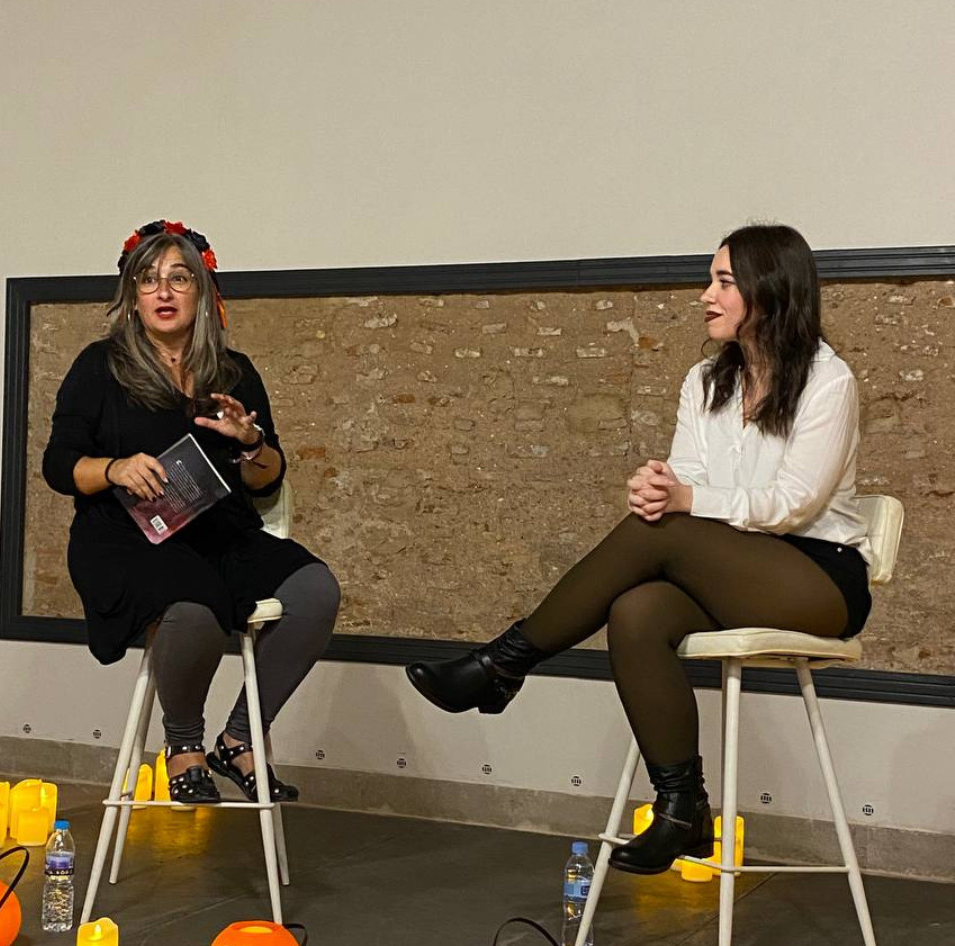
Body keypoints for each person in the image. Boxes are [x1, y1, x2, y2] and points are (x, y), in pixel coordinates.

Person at [406, 223, 872, 874]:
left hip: (818, 582)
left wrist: (680, 505)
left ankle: (503, 663)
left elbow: (793, 502)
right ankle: (682, 807)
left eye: (723, 283)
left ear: (769, 294)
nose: (705, 295)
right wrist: (660, 490)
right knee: (637, 612)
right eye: (711, 280)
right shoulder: (706, 381)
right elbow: (689, 484)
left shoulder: (828, 381)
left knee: (668, 528)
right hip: (726, 565)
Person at [43, 220, 340, 804]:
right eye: (149, 280)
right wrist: (113, 468)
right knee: (193, 605)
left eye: (179, 278)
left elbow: (267, 479)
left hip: (218, 533)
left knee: (316, 591)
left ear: (202, 295)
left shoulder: (235, 372)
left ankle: (238, 739)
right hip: (124, 538)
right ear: (131, 296)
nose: (164, 291)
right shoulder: (98, 366)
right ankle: (183, 745)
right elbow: (59, 466)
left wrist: (250, 443)